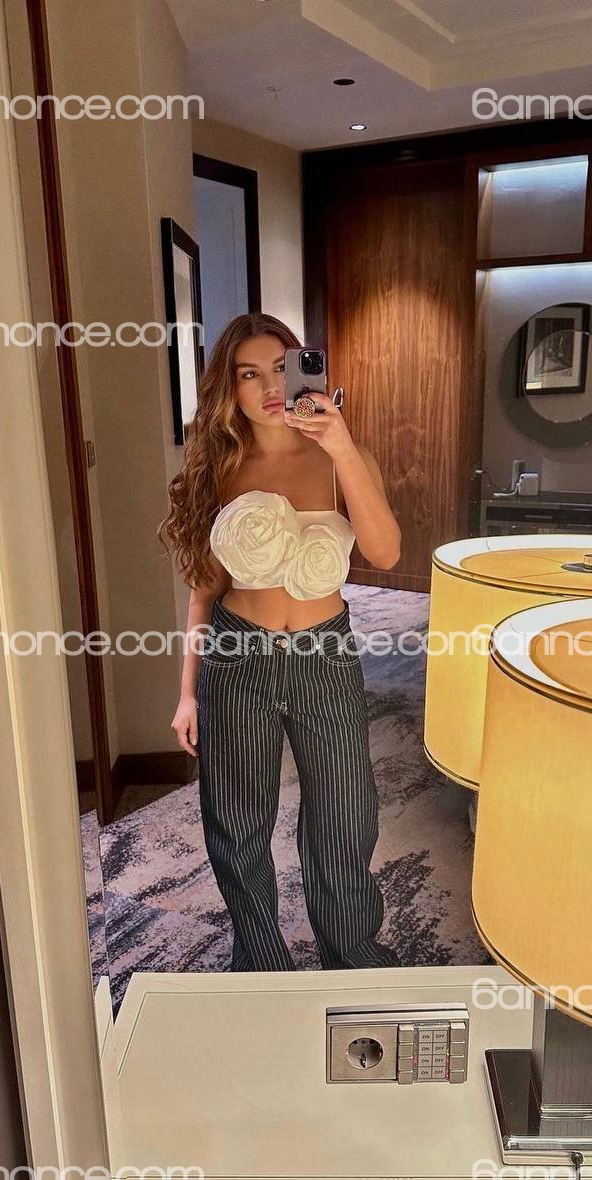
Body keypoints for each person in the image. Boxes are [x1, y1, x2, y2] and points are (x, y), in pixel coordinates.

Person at [159, 313, 401, 971]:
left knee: (345, 815)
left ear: (303, 373)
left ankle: (352, 954)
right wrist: (187, 693)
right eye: (249, 374)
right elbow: (204, 591)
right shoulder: (219, 468)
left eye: (280, 368)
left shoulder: (342, 457)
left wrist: (343, 447)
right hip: (237, 657)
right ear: (228, 387)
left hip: (325, 655)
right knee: (236, 822)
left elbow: (384, 553)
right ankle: (262, 960)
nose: (269, 387)